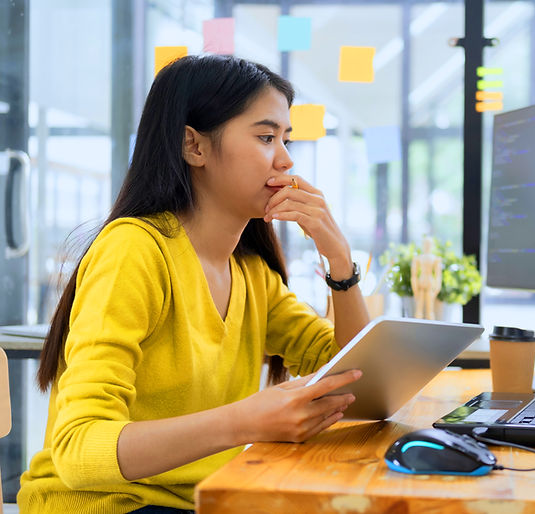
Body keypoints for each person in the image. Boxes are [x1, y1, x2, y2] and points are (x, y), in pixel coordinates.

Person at [18, 54, 369, 513]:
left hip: (201, 502)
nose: (286, 160)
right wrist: (243, 422)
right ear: (194, 147)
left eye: (286, 139)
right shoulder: (134, 251)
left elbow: (353, 376)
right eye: (266, 137)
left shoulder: (250, 271)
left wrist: (340, 260)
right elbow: (81, 450)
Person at [410, 237, 442, 320]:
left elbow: (438, 275)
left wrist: (437, 288)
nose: (427, 246)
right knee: (419, 309)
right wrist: (415, 288)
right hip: (421, 283)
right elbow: (414, 275)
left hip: (430, 284)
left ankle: (430, 327)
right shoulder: (418, 258)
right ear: (423, 245)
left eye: (429, 244)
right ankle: (417, 325)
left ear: (432, 245)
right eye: (425, 244)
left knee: (430, 310)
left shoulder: (435, 259)